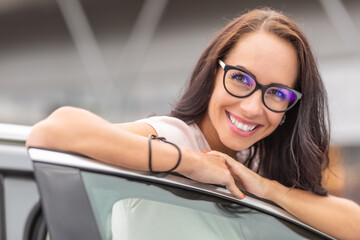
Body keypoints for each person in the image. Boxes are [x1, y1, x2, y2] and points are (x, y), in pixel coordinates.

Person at [26, 7, 360, 239]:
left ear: (291, 107)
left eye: (277, 94)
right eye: (241, 79)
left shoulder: (251, 162)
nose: (252, 106)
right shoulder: (176, 137)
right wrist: (190, 164)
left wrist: (265, 188)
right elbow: (52, 132)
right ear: (214, 72)